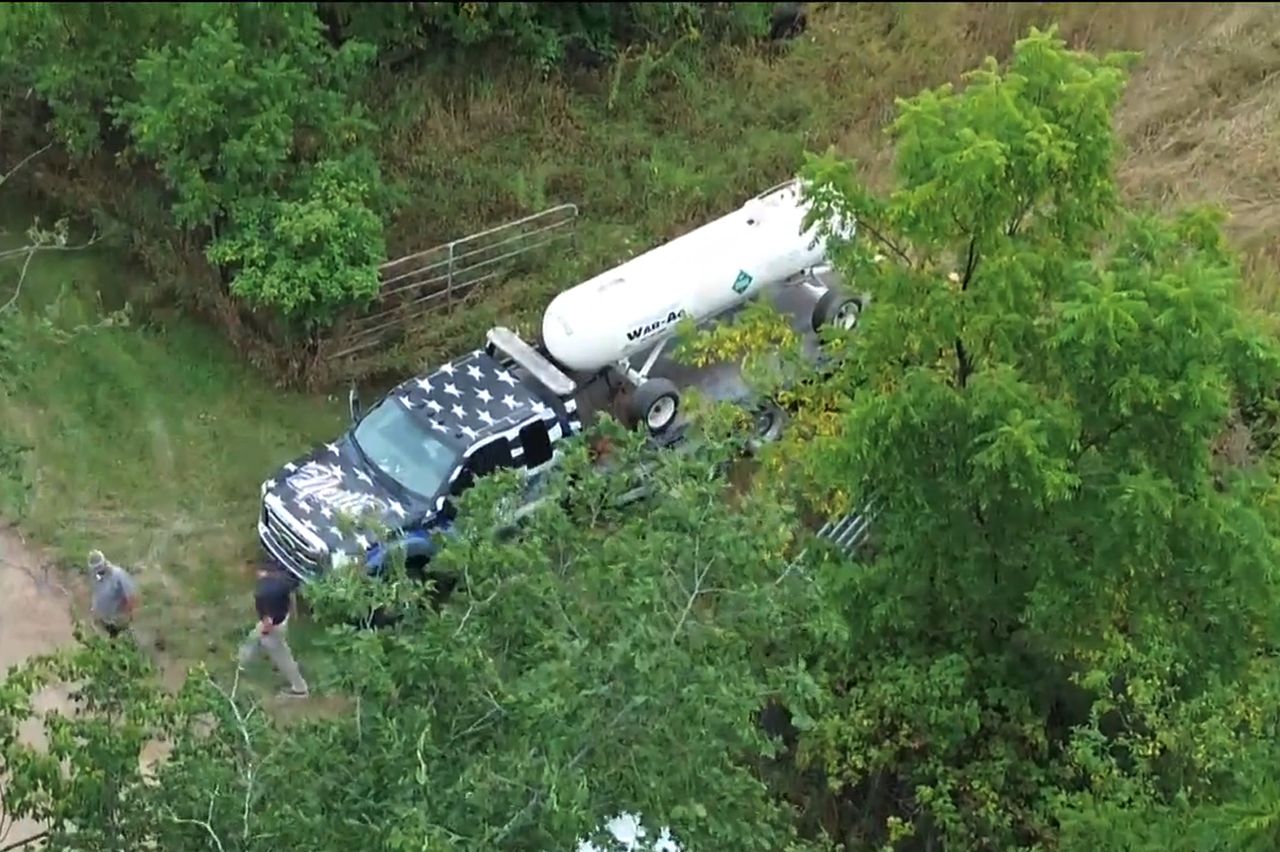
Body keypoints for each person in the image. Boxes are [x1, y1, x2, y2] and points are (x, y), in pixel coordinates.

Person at [237, 566, 309, 699]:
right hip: (283, 618)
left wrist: (265, 631)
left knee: (282, 657)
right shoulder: (283, 580)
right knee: (253, 638)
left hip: (273, 627)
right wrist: (294, 615)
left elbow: (268, 621)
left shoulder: (262, 594)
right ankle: (243, 663)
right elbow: (291, 599)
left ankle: (300, 689)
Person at [88, 550, 139, 638]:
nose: (97, 573)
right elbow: (97, 591)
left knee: (125, 640)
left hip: (119, 619)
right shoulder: (96, 576)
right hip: (105, 620)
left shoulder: (118, 575)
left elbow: (131, 596)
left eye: (99, 570)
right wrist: (94, 609)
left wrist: (130, 615)